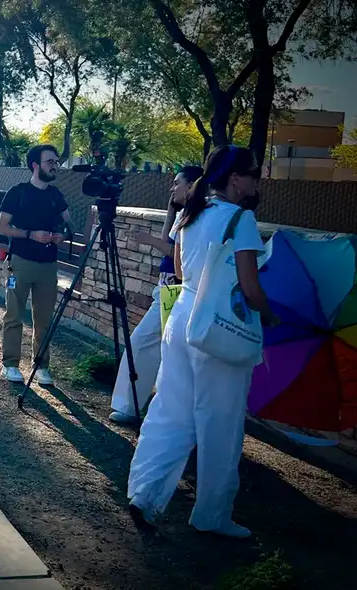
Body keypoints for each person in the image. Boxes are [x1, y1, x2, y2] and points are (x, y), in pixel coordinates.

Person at [127, 145, 277, 539]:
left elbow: (178, 269)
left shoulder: (192, 212)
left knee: (169, 411)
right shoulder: (240, 219)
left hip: (181, 320)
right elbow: (249, 286)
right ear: (235, 178)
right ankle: (211, 514)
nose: (256, 182)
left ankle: (144, 494)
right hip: (219, 329)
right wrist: (269, 313)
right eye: (253, 175)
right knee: (220, 424)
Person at [109, 166, 204, 424]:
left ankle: (134, 407)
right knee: (150, 345)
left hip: (176, 291)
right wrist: (171, 209)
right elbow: (169, 241)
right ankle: (132, 406)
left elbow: (173, 254)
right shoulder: (185, 214)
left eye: (177, 183)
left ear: (192, 185)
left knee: (145, 344)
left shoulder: (198, 217)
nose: (172, 188)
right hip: (166, 290)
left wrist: (147, 239)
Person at [0, 145, 71, 386]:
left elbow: (69, 225)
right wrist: (30, 235)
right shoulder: (18, 192)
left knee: (44, 319)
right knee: (14, 314)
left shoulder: (56, 195)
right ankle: (10, 364)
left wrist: (62, 235)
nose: (55, 166)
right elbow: (2, 227)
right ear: (35, 165)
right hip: (20, 262)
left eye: (56, 161)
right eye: (50, 161)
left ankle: (41, 366)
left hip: (48, 265)